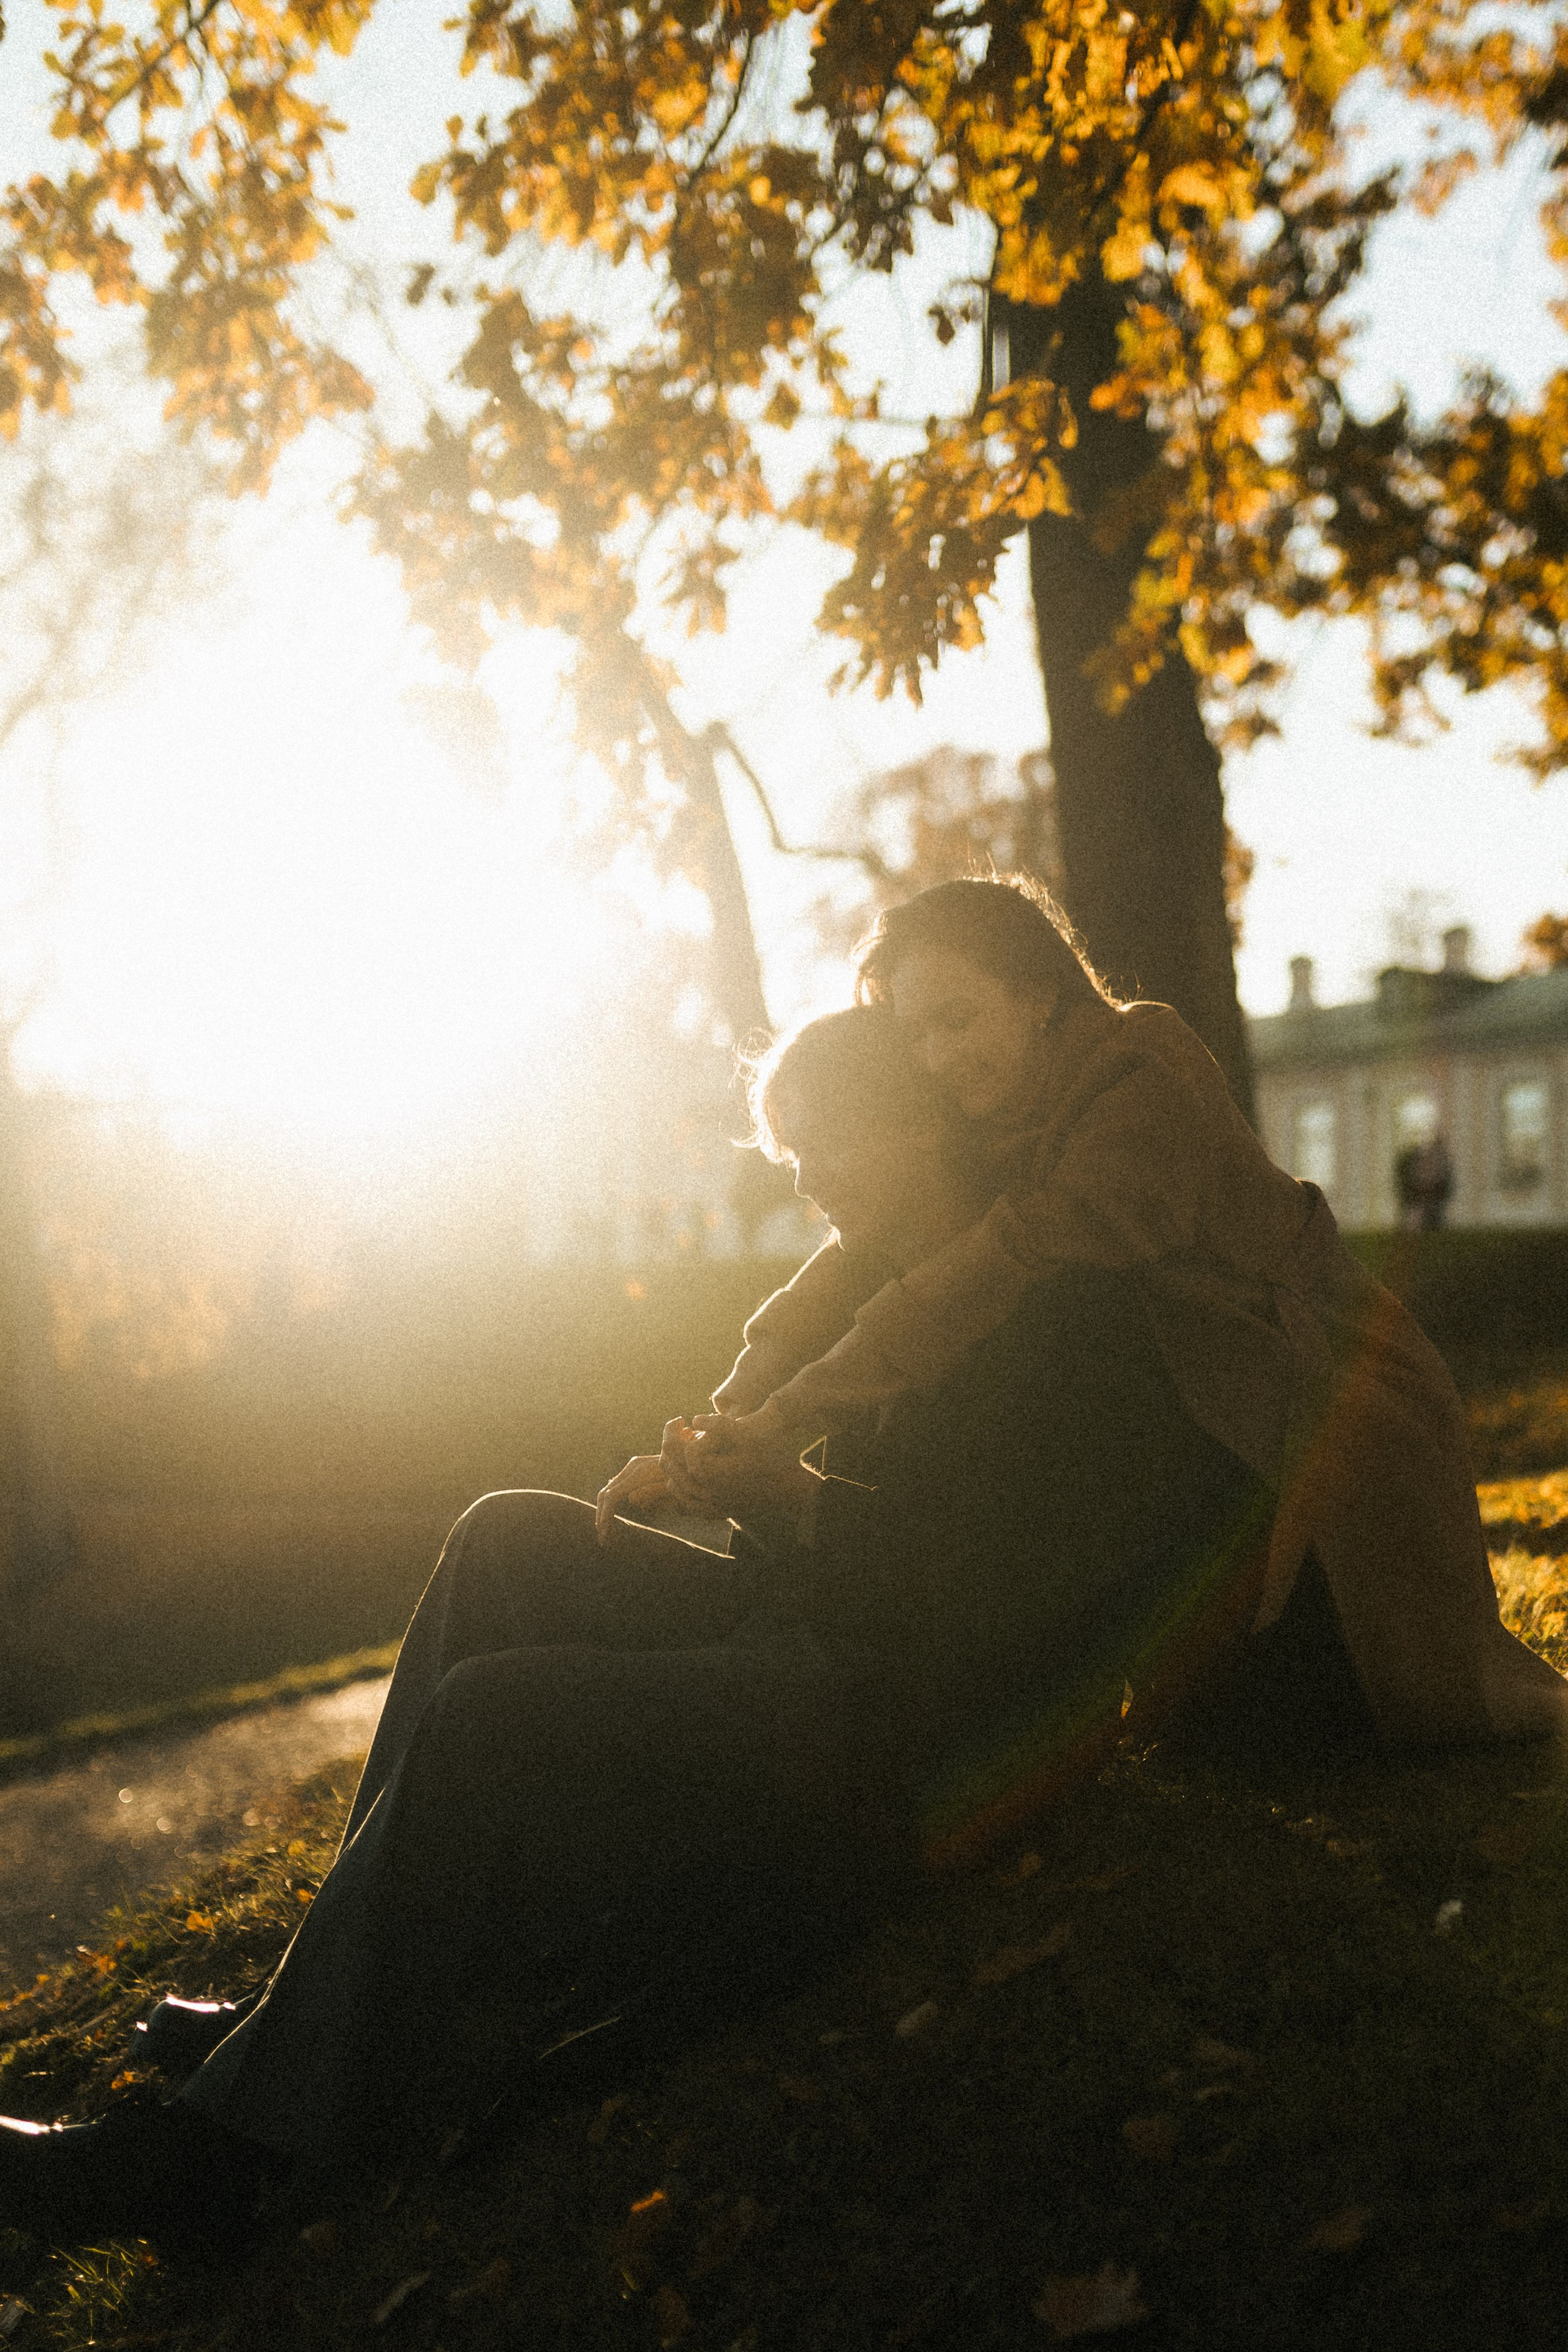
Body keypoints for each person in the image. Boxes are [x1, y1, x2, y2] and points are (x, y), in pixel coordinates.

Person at [0, 1001, 1279, 2262]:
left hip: (919, 1728)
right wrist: (738, 1486)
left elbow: (989, 1596)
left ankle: (221, 2162)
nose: (813, 1181)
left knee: (495, 1718)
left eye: (834, 1142)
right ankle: (307, 2007)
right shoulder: (887, 1284)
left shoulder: (1039, 1302)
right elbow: (846, 1549)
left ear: (921, 1124)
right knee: (510, 1534)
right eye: (795, 1157)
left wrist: (792, 1501)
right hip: (832, 1635)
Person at [688, 875, 1566, 1752]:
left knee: (1388, 1692)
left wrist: (789, 1418)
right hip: (1208, 1415)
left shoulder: (1140, 1070)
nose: (935, 1057)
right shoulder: (1004, 1114)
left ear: (1037, 994)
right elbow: (854, 1258)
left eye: (956, 1019)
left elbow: (1004, 1261)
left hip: (1327, 1417)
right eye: (916, 1032)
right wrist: (740, 1403)